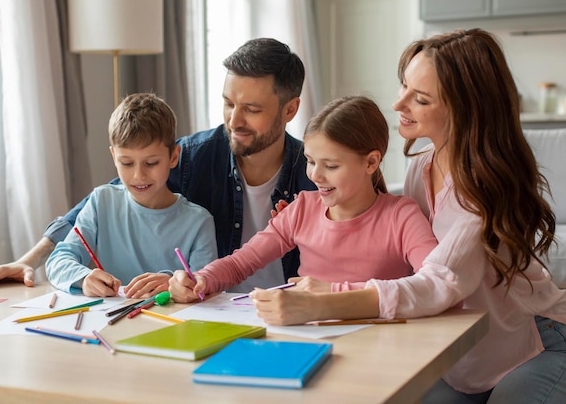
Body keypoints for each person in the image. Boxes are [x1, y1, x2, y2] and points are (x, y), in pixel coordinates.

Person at [247, 29, 566, 403]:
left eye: (420, 99)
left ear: (464, 108)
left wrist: (324, 300)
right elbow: (397, 239)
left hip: (535, 339)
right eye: (403, 87)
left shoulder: (485, 187)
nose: (398, 105)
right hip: (465, 353)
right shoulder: (422, 167)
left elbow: (438, 282)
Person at [0, 38, 315, 292]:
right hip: (212, 310)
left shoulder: (314, 174)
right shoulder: (194, 155)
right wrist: (28, 261)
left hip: (291, 314)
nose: (234, 120)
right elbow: (103, 199)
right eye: (228, 103)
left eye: (251, 109)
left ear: (290, 109)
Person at [169, 95, 438, 302]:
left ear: (370, 163)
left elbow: (432, 284)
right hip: (311, 340)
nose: (316, 175)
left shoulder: (402, 216)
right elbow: (242, 263)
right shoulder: (302, 208)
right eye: (310, 161)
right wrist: (200, 280)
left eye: (331, 166)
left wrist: (332, 292)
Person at [45, 93, 217, 298]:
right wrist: (84, 278)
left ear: (174, 157)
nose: (139, 175)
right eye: (126, 163)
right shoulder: (102, 202)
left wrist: (174, 285)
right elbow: (58, 260)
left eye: (151, 163)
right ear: (114, 157)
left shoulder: (199, 221)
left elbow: (204, 287)